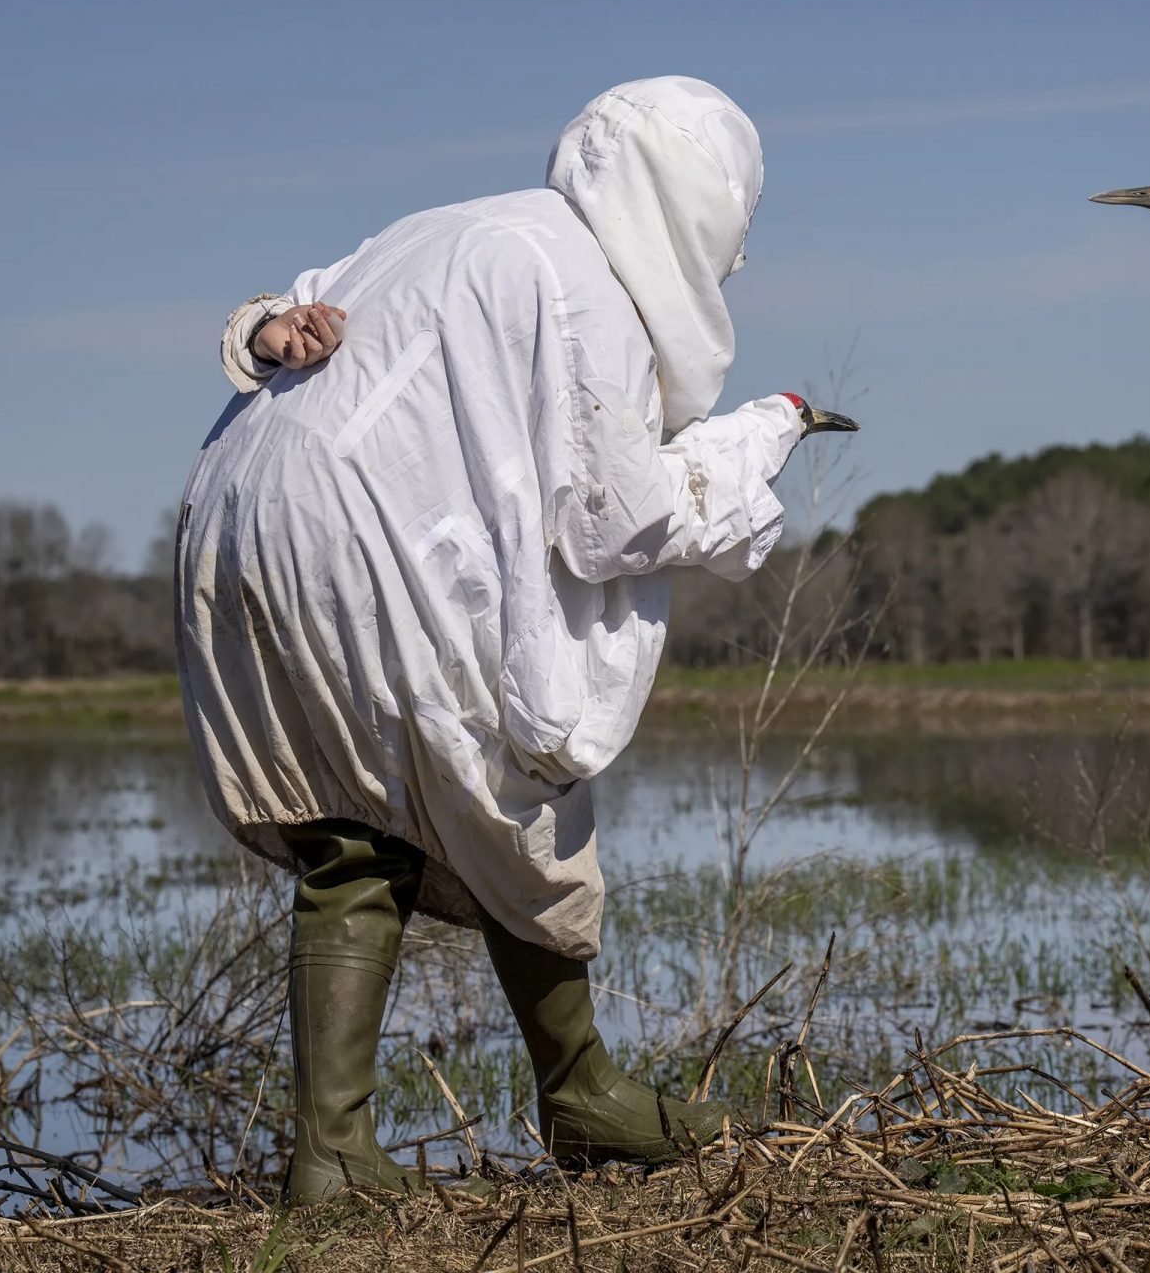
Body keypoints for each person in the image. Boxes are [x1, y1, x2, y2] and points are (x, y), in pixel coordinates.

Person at [177, 76, 855, 1202]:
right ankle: (576, 1090)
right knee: (517, 761)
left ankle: (335, 1148)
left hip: (238, 516)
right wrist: (748, 453)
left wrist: (259, 326)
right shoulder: (581, 281)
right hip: (367, 536)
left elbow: (278, 316)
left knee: (357, 828)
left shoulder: (455, 226)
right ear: (697, 210)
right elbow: (616, 516)